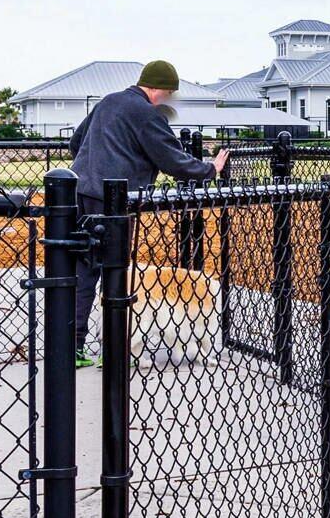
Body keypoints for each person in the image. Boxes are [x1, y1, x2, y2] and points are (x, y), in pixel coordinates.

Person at [69, 60, 227, 360]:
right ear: (158, 89)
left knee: (83, 270)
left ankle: (72, 346)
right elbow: (172, 159)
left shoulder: (108, 102)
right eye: (168, 93)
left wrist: (95, 165)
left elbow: (76, 143)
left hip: (80, 193)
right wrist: (210, 169)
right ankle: (113, 349)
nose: (167, 99)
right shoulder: (146, 114)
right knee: (115, 271)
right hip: (114, 202)